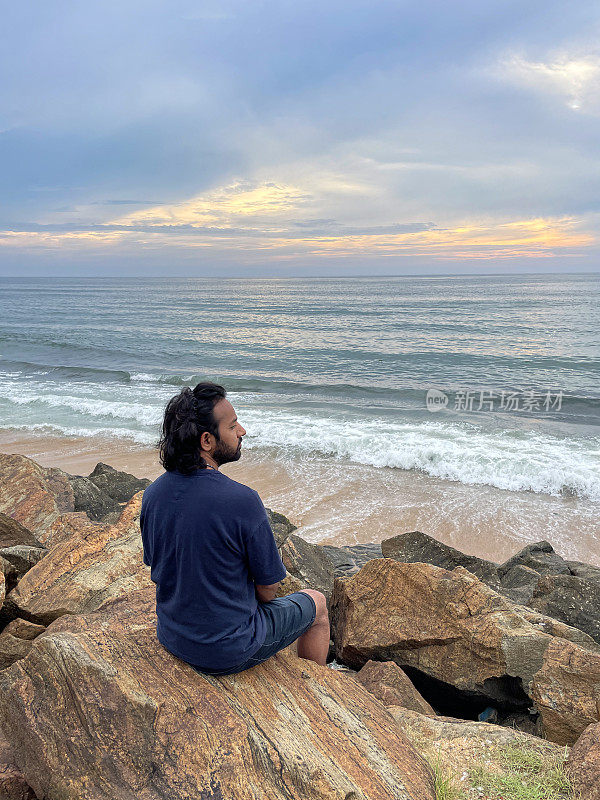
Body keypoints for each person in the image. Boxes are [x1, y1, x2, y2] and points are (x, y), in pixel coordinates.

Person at [140, 381, 330, 676]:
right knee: (317, 604)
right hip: (227, 651)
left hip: (172, 636)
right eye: (232, 426)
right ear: (207, 441)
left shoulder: (153, 494)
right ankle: (320, 687)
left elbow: (159, 567)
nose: (241, 431)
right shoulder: (242, 500)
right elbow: (268, 591)